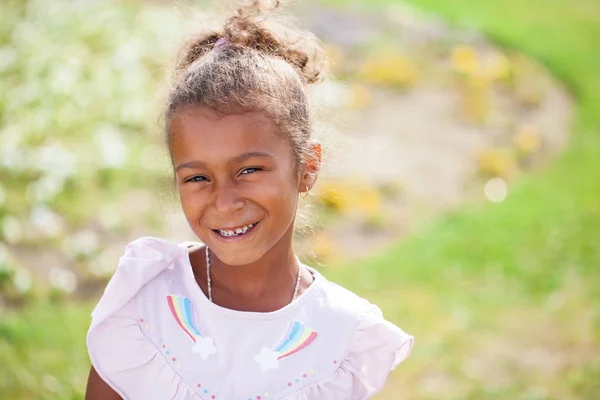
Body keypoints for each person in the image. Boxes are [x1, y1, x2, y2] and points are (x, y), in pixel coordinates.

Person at [85, 1, 413, 399]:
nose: (224, 202)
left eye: (249, 170)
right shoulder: (144, 307)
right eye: (198, 177)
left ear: (307, 167)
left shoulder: (341, 340)